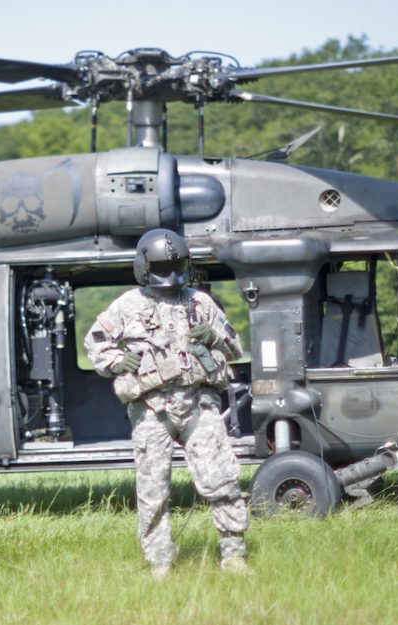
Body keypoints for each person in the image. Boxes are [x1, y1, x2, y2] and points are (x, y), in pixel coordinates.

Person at [84, 229, 249, 578]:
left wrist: (215, 336)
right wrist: (116, 362)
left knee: (221, 480)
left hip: (198, 405)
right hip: (152, 411)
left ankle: (233, 554)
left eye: (178, 265)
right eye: (162, 266)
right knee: (153, 490)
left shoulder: (200, 303)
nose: (171, 274)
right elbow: (95, 342)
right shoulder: (127, 306)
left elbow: (236, 346)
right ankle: (160, 562)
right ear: (144, 267)